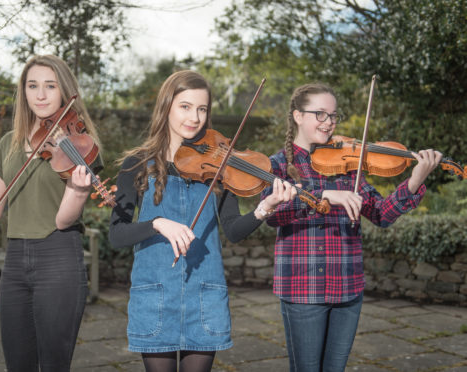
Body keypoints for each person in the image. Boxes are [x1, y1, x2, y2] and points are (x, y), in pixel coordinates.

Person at [108, 70, 297, 372]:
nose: (194, 117)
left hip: (204, 296)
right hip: (156, 295)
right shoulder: (137, 164)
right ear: (167, 106)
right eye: (185, 106)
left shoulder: (219, 165)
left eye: (202, 108)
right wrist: (157, 223)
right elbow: (116, 234)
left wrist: (265, 207)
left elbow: (233, 230)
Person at [260, 83, 442, 372]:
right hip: (302, 289)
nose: (329, 122)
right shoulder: (278, 166)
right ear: (297, 115)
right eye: (320, 114)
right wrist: (322, 196)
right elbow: (272, 214)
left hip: (347, 287)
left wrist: (415, 180)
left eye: (333, 115)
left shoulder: (348, 166)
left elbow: (382, 214)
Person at [0, 54, 103, 371]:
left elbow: (63, 220)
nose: (41, 95)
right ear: (24, 92)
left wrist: (77, 191)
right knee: (17, 364)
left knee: (53, 365)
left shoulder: (79, 144)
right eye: (33, 86)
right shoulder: (10, 143)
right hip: (16, 260)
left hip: (58, 255)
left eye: (50, 86)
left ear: (64, 91)